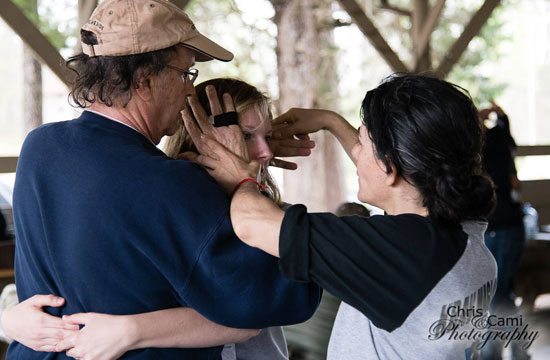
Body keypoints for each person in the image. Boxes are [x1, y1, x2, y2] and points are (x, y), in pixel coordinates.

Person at [8, 0, 320, 358]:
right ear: (144, 79)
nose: (190, 91)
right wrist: (242, 186)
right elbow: (277, 295)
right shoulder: (170, 183)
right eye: (185, 74)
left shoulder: (39, 148)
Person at [184, 74, 499, 359]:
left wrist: (242, 174)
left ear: (390, 167)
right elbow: (402, 185)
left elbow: (253, 223)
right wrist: (330, 122)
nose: (356, 152)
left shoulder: (403, 250)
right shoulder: (461, 230)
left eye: (362, 144)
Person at [479, 103, 530, 360]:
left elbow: (501, 127)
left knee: (498, 295)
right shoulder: (498, 141)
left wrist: (489, 115)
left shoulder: (490, 145)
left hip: (503, 228)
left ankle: (494, 354)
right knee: (502, 294)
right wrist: (496, 113)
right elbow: (503, 123)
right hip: (502, 228)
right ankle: (518, 352)